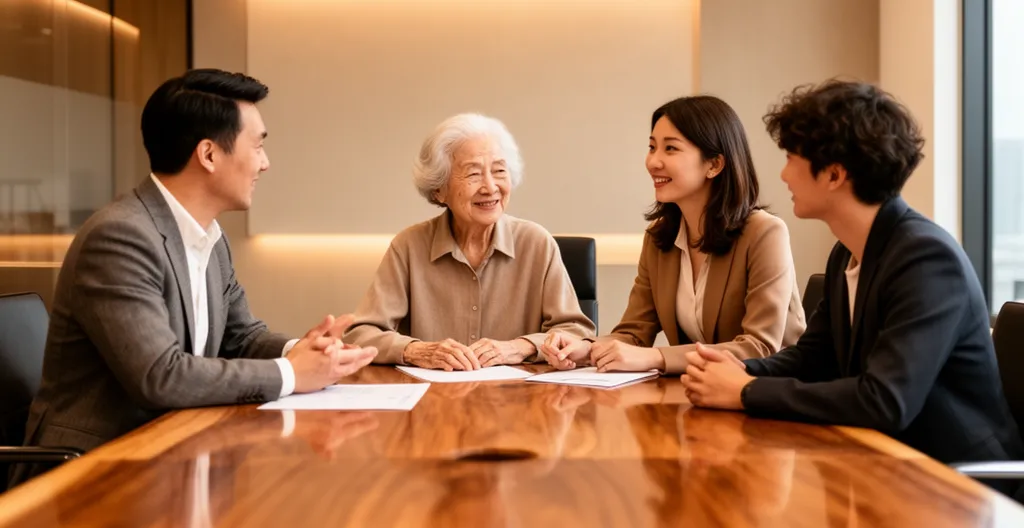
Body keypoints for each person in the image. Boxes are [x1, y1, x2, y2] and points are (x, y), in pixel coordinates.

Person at [14, 69, 378, 483]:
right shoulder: (120, 236)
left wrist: (309, 351)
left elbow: (242, 337)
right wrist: (292, 374)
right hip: (93, 470)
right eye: (257, 145)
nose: (265, 163)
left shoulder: (209, 236)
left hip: (170, 451)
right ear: (208, 155)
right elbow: (160, 376)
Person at [681, 80, 1024, 469]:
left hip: (958, 482)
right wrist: (736, 370)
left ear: (834, 175)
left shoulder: (927, 259)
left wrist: (746, 391)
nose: (783, 174)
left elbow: (885, 400)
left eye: (792, 157)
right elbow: (815, 357)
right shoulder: (847, 250)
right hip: (883, 460)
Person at [541, 96, 805, 373]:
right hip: (701, 393)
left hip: (771, 395)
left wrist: (657, 357)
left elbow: (759, 347)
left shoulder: (764, 233)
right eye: (652, 147)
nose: (653, 162)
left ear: (714, 165)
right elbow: (633, 333)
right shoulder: (659, 238)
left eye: (670, 149)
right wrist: (586, 349)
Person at [344, 113, 595, 370]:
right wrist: (417, 350)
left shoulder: (536, 243)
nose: (490, 187)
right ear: (439, 190)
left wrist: (520, 347)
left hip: (519, 402)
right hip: (432, 403)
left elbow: (577, 333)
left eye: (499, 170)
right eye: (474, 174)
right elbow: (360, 336)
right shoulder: (409, 246)